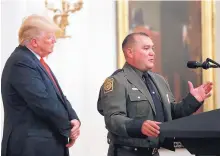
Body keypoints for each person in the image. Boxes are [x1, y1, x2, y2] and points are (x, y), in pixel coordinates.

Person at [97, 32, 213, 156]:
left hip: (155, 152)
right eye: (146, 48)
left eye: (152, 48)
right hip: (127, 152)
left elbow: (172, 114)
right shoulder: (117, 81)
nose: (152, 53)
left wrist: (193, 100)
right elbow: (113, 119)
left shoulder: (159, 80)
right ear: (130, 52)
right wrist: (139, 126)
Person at [1, 14, 80, 156]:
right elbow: (43, 102)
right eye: (50, 37)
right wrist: (68, 128)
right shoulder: (21, 62)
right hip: (30, 147)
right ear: (34, 42)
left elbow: (59, 96)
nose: (55, 41)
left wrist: (74, 119)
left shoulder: (36, 62)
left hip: (44, 145)